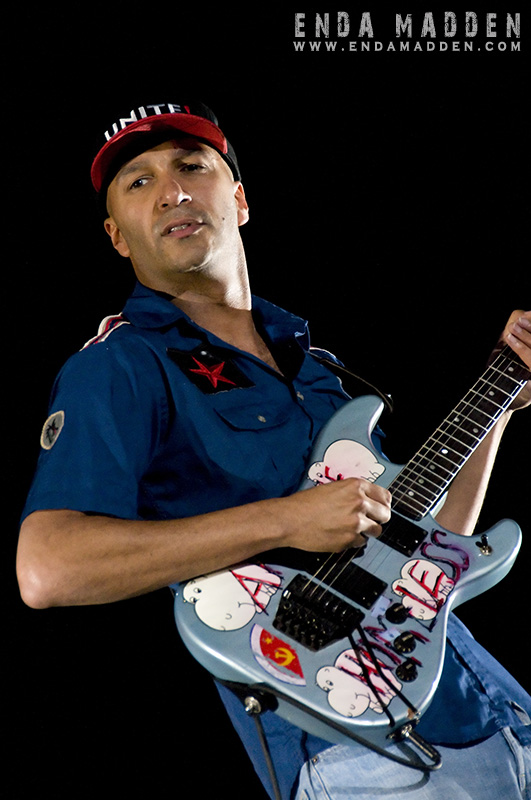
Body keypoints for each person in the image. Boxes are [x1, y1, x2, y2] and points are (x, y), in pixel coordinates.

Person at [16, 101, 531, 800]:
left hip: (497, 710)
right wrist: (286, 521)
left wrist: (501, 393)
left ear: (240, 199)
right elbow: (47, 568)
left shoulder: (322, 367)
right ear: (116, 237)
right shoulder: (119, 366)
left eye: (191, 167)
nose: (171, 191)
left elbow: (423, 555)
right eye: (138, 183)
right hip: (364, 749)